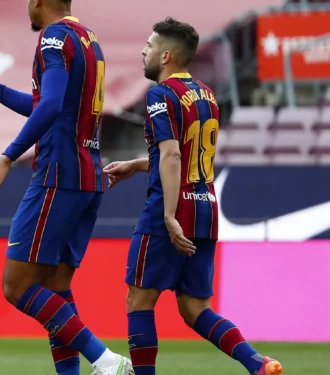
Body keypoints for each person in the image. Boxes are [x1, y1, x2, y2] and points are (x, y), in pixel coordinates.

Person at [0, 0, 132, 374]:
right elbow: (47, 104)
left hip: (57, 176)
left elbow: (49, 105)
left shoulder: (53, 37)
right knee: (54, 290)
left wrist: (6, 158)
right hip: (87, 177)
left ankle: (105, 360)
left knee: (16, 287)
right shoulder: (88, 39)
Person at [103, 17, 283, 375]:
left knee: (139, 300)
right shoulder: (206, 95)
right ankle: (258, 365)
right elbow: (185, 155)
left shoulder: (161, 94)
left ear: (166, 55)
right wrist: (139, 164)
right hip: (206, 207)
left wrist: (169, 215)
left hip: (170, 209)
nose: (144, 51)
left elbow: (171, 155)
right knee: (194, 308)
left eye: (150, 45)